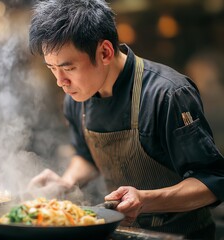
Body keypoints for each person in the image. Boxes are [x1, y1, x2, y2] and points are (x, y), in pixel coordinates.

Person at [27, 0, 224, 239]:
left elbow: (214, 181)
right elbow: (86, 155)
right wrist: (66, 182)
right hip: (120, 233)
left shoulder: (167, 95)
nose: (60, 81)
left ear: (105, 52)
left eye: (68, 68)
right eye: (52, 68)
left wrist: (145, 200)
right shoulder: (76, 97)